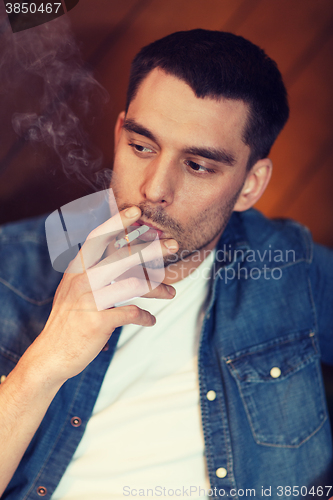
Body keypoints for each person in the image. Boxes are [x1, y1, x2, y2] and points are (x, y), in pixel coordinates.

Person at [0, 29, 332, 499]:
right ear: (119, 135)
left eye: (198, 165)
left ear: (251, 185)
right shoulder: (8, 267)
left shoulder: (288, 265)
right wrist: (46, 361)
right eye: (142, 147)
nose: (155, 188)